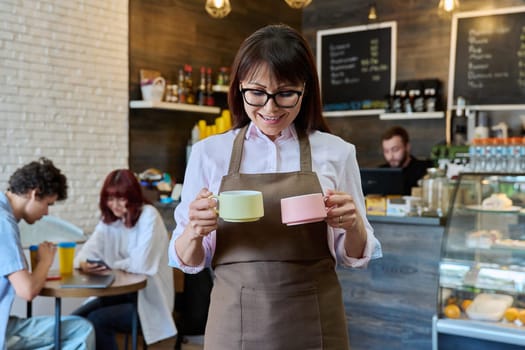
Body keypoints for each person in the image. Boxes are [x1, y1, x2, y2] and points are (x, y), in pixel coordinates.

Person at [168, 24, 382, 350]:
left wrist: (352, 225)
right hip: (233, 319)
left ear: (305, 89)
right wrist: (194, 231)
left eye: (285, 93)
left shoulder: (337, 152)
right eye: (256, 92)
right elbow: (189, 260)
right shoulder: (208, 154)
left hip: (316, 318)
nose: (270, 108)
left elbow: (354, 256)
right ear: (240, 87)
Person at [72, 169, 176, 350]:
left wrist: (109, 265)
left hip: (147, 301)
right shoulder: (109, 222)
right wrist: (84, 263)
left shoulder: (148, 216)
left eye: (121, 199)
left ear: (133, 197)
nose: (115, 205)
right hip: (118, 295)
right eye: (110, 199)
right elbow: (84, 254)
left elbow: (141, 264)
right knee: (76, 319)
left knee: (97, 320)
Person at [0, 157, 95, 349]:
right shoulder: (4, 222)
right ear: (35, 194)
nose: (47, 213)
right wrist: (45, 261)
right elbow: (27, 291)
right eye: (48, 204)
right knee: (81, 329)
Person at [380, 125, 434, 195]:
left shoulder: (424, 169)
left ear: (407, 147)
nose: (390, 156)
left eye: (395, 149)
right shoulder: (381, 173)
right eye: (386, 151)